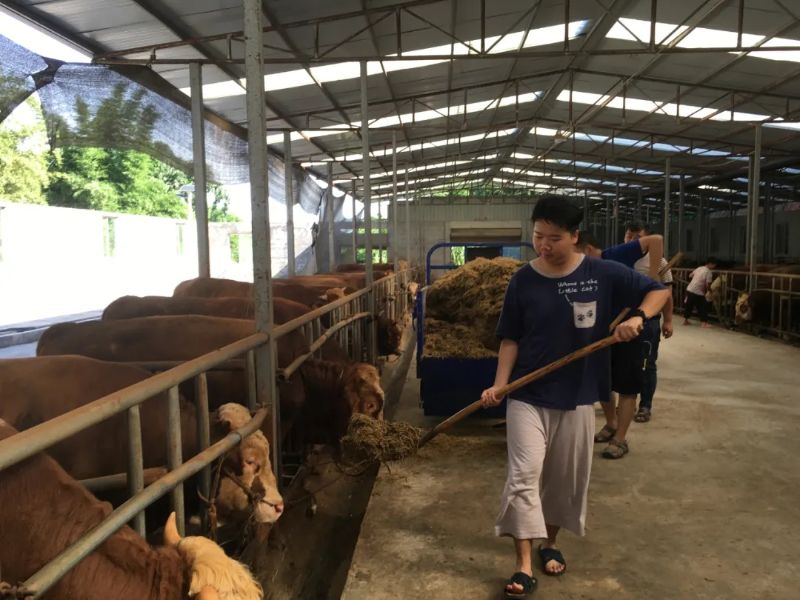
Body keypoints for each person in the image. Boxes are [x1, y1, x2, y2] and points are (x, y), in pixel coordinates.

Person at [480, 196, 669, 599]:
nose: (544, 245)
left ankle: (549, 542)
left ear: (574, 236)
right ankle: (523, 564)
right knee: (523, 476)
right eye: (538, 236)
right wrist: (500, 385)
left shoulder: (600, 271)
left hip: (579, 395)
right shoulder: (522, 280)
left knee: (564, 480)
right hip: (527, 393)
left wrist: (639, 317)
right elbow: (510, 338)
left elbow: (657, 291)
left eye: (554, 238)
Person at [576, 230, 664, 458]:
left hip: (629, 331)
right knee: (603, 383)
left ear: (587, 249)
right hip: (601, 333)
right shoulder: (581, 271)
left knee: (627, 386)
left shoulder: (616, 255)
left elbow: (656, 240)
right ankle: (611, 423)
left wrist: (653, 276)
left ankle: (620, 439)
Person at [624, 223, 674, 423]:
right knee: (623, 362)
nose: (631, 241)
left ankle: (645, 405)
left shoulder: (659, 262)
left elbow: (667, 294)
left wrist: (668, 320)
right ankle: (626, 401)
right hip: (621, 319)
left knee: (646, 363)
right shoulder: (620, 257)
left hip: (649, 320)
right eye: (628, 236)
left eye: (637, 237)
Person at [684, 258, 717, 327]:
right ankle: (704, 323)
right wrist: (710, 291)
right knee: (703, 307)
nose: (714, 267)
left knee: (689, 305)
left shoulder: (699, 268)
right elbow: (708, 285)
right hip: (698, 291)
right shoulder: (708, 272)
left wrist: (696, 278)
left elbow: (690, 275)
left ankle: (686, 320)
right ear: (710, 264)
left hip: (690, 288)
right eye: (714, 265)